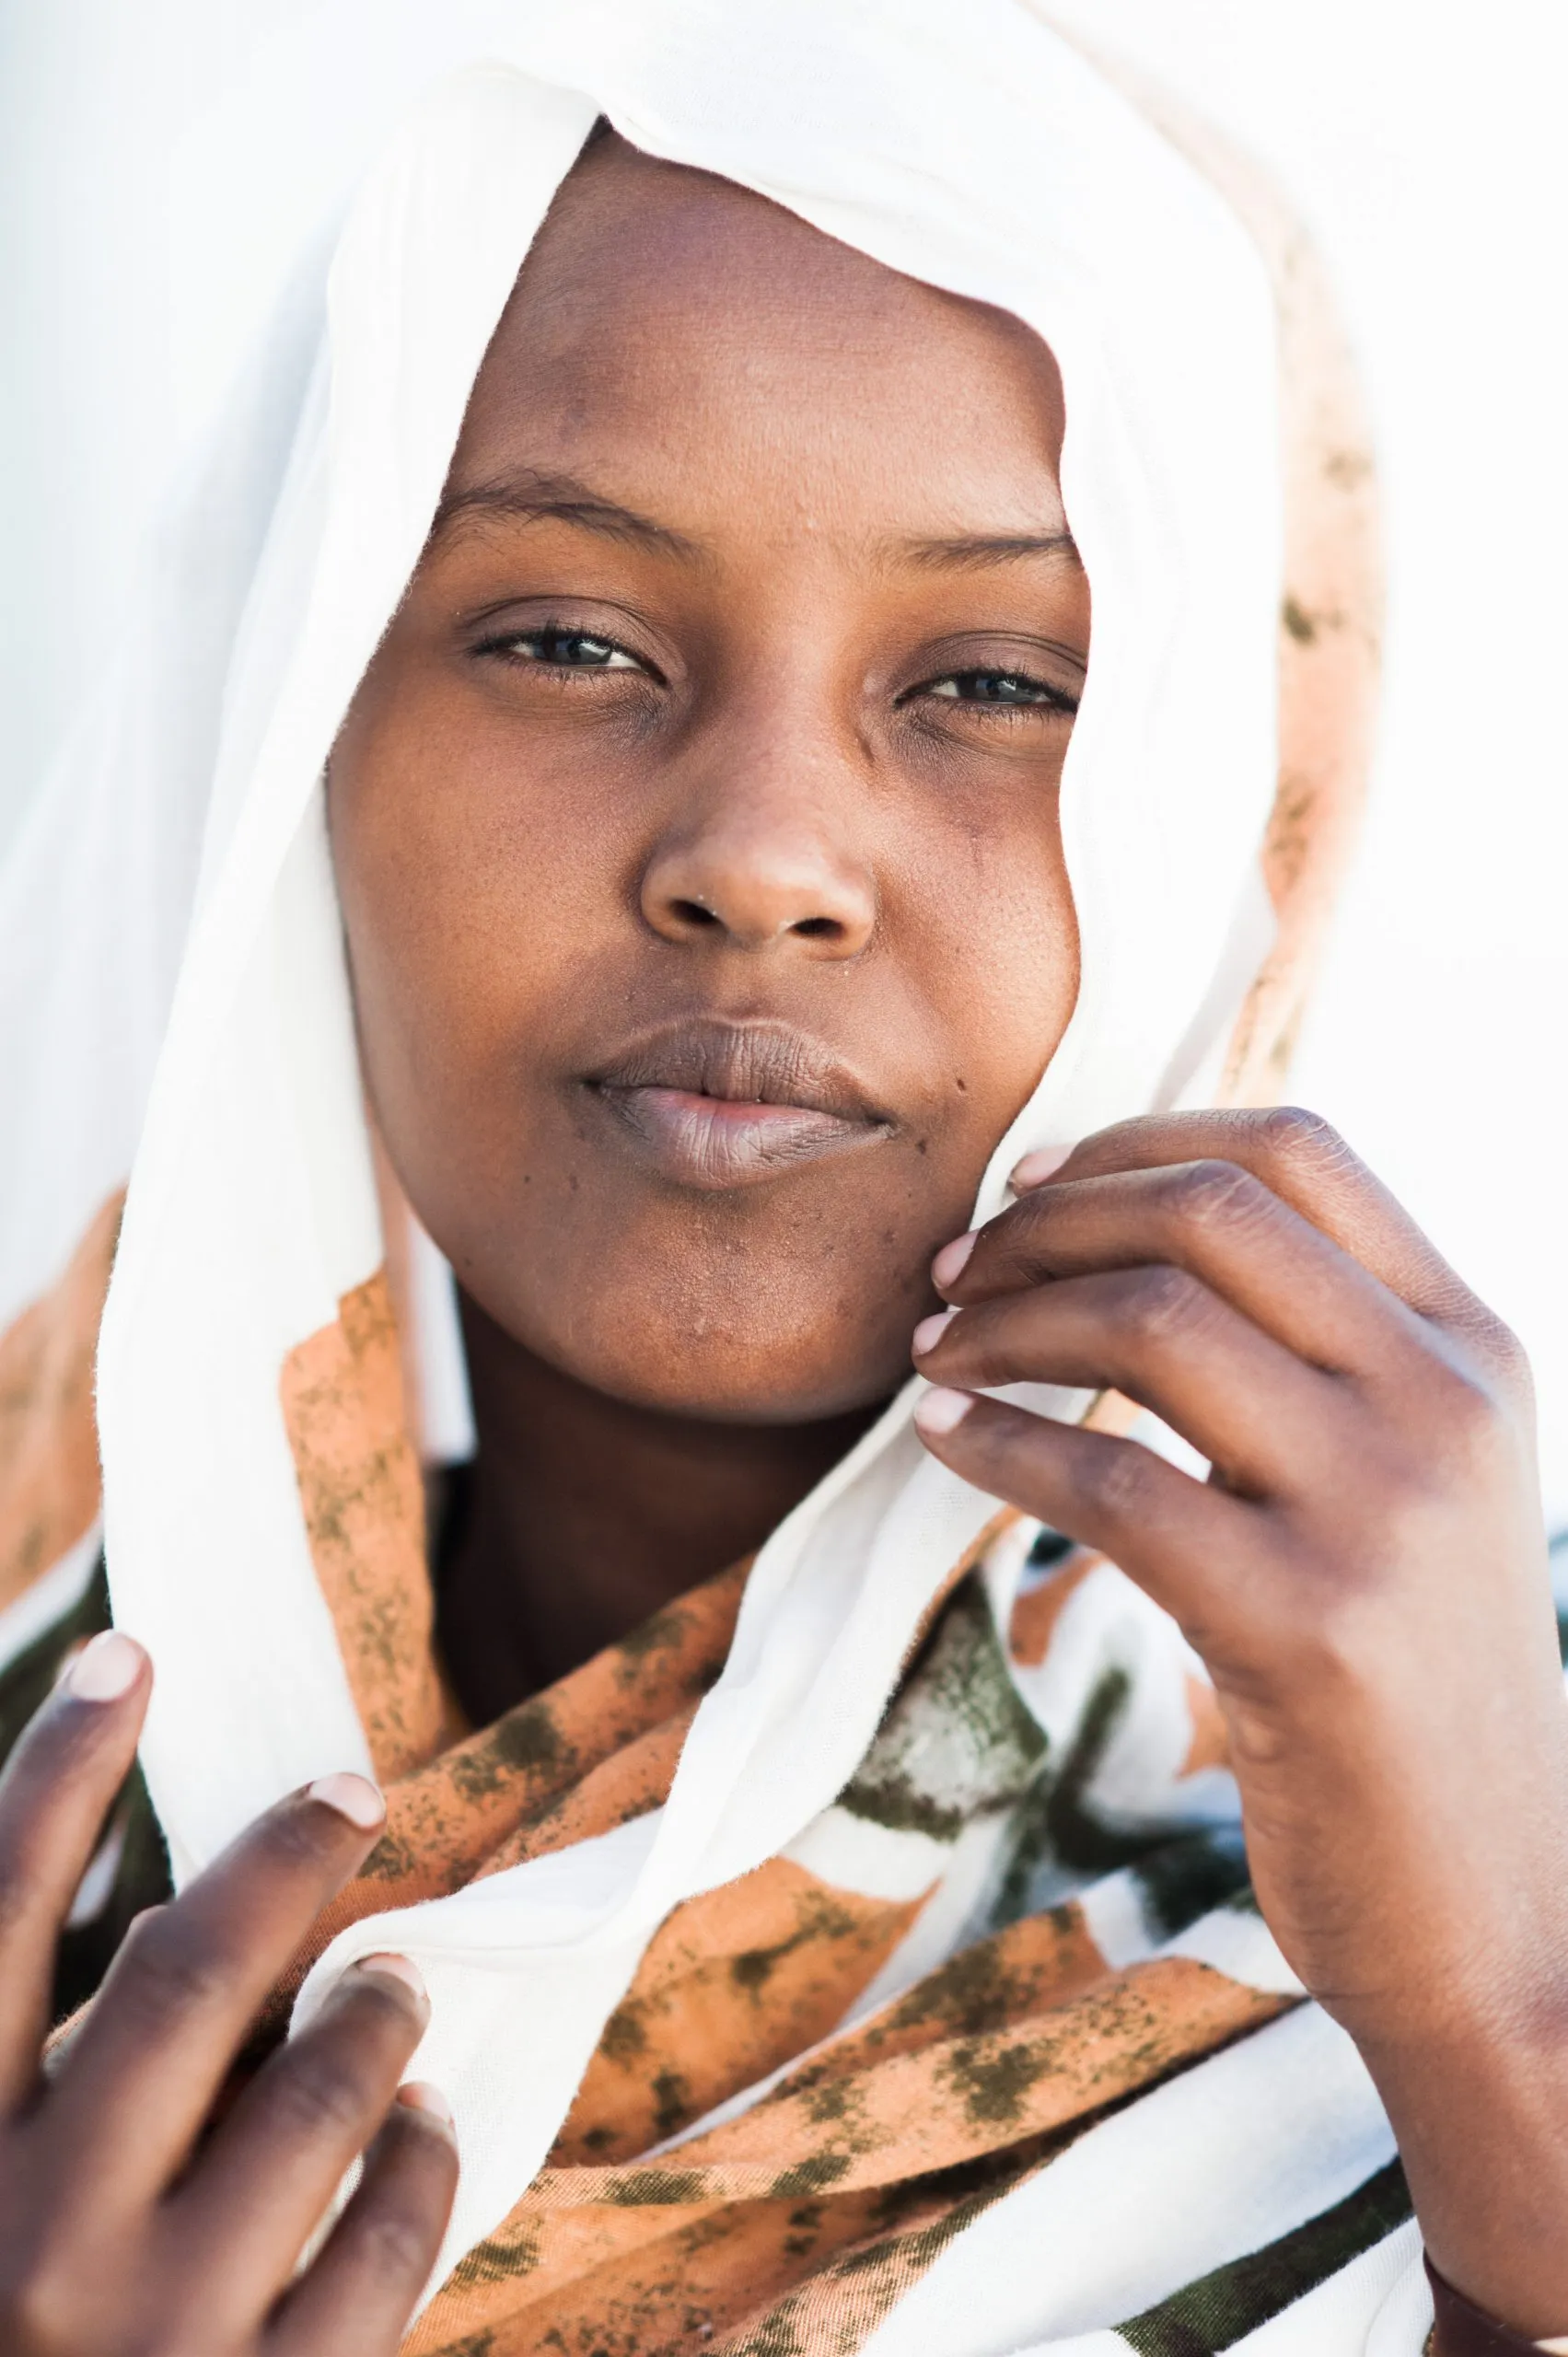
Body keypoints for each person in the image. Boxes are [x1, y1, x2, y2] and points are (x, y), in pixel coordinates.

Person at [0, 6, 1561, 2351]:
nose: (760, 856)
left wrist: (1512, 2055)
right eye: (563, 637)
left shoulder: (1498, 1830)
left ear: (1236, 825)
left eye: (996, 684)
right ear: (295, 728)